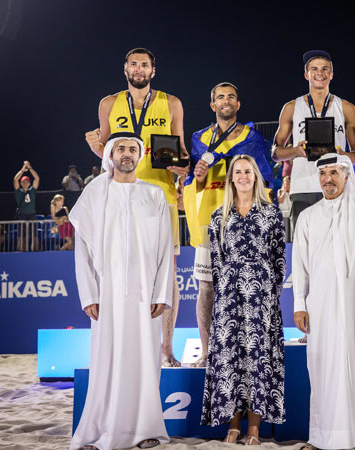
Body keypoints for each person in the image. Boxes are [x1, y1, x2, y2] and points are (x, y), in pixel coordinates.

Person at [84, 47, 189, 367]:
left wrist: (181, 167)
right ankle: (122, 346)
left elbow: (182, 151)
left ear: (153, 70)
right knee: (117, 265)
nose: (139, 69)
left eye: (144, 65)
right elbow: (106, 152)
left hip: (161, 195)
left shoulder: (171, 103)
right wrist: (94, 147)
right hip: (119, 195)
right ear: (125, 68)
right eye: (133, 64)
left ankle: (166, 347)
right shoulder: (108, 103)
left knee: (167, 274)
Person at [69, 132, 172, 450]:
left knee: (145, 361)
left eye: (132, 149)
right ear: (110, 154)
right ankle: (100, 429)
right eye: (120, 148)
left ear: (140, 155)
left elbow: (166, 248)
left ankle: (145, 430)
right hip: (107, 295)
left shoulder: (154, 194)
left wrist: (161, 293)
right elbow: (82, 249)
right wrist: (89, 295)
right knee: (107, 361)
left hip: (144, 296)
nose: (126, 153)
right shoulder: (94, 193)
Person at [292, 154, 355, 450]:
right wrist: (299, 305)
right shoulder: (308, 216)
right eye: (323, 174)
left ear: (346, 176)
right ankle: (324, 438)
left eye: (334, 172)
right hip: (321, 305)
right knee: (323, 367)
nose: (327, 179)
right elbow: (300, 265)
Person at [183, 82, 272, 368]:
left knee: (244, 287)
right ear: (212, 105)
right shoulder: (198, 138)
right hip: (208, 219)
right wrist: (196, 176)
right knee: (207, 288)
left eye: (231, 96)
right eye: (220, 97)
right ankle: (209, 353)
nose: (226, 100)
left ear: (238, 104)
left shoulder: (253, 138)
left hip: (242, 220)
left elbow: (266, 178)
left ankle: (246, 352)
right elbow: (191, 180)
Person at [200, 154, 286, 444]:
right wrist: (225, 294)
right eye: (237, 171)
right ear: (231, 178)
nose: (243, 176)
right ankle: (233, 425)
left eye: (248, 171)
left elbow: (279, 261)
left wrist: (271, 298)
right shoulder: (219, 216)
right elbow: (217, 261)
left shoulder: (272, 214)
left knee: (258, 360)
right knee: (231, 362)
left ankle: (254, 429)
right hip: (229, 300)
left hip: (261, 300)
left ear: (256, 176)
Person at [271, 50, 355, 240]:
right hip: (303, 187)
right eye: (314, 69)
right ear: (306, 74)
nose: (319, 73)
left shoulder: (346, 108)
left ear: (331, 74)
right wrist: (295, 151)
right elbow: (275, 153)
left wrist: (342, 155)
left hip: (336, 188)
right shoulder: (292, 108)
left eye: (324, 69)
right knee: (305, 248)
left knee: (339, 246)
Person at [13, 161, 40, 252]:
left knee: (35, 235)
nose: (25, 183)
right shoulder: (19, 192)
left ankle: (35, 251)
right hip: (22, 215)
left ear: (29, 183)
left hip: (32, 214)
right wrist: (22, 170)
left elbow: (36, 178)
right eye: (23, 182)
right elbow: (15, 179)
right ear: (21, 183)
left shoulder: (32, 191)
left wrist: (30, 168)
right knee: (22, 235)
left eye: (27, 181)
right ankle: (21, 251)